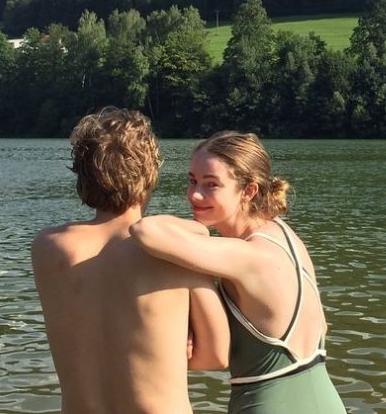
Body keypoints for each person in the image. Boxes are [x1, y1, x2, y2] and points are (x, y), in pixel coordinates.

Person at [130, 131, 346, 414]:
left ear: (248, 191)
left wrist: (198, 231)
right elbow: (321, 326)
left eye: (211, 185)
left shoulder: (246, 256)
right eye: (192, 180)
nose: (195, 194)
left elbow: (145, 231)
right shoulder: (287, 238)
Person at [31, 107, 229, 414]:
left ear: (82, 174)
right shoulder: (177, 248)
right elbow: (217, 353)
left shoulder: (47, 247)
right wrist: (166, 350)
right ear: (150, 172)